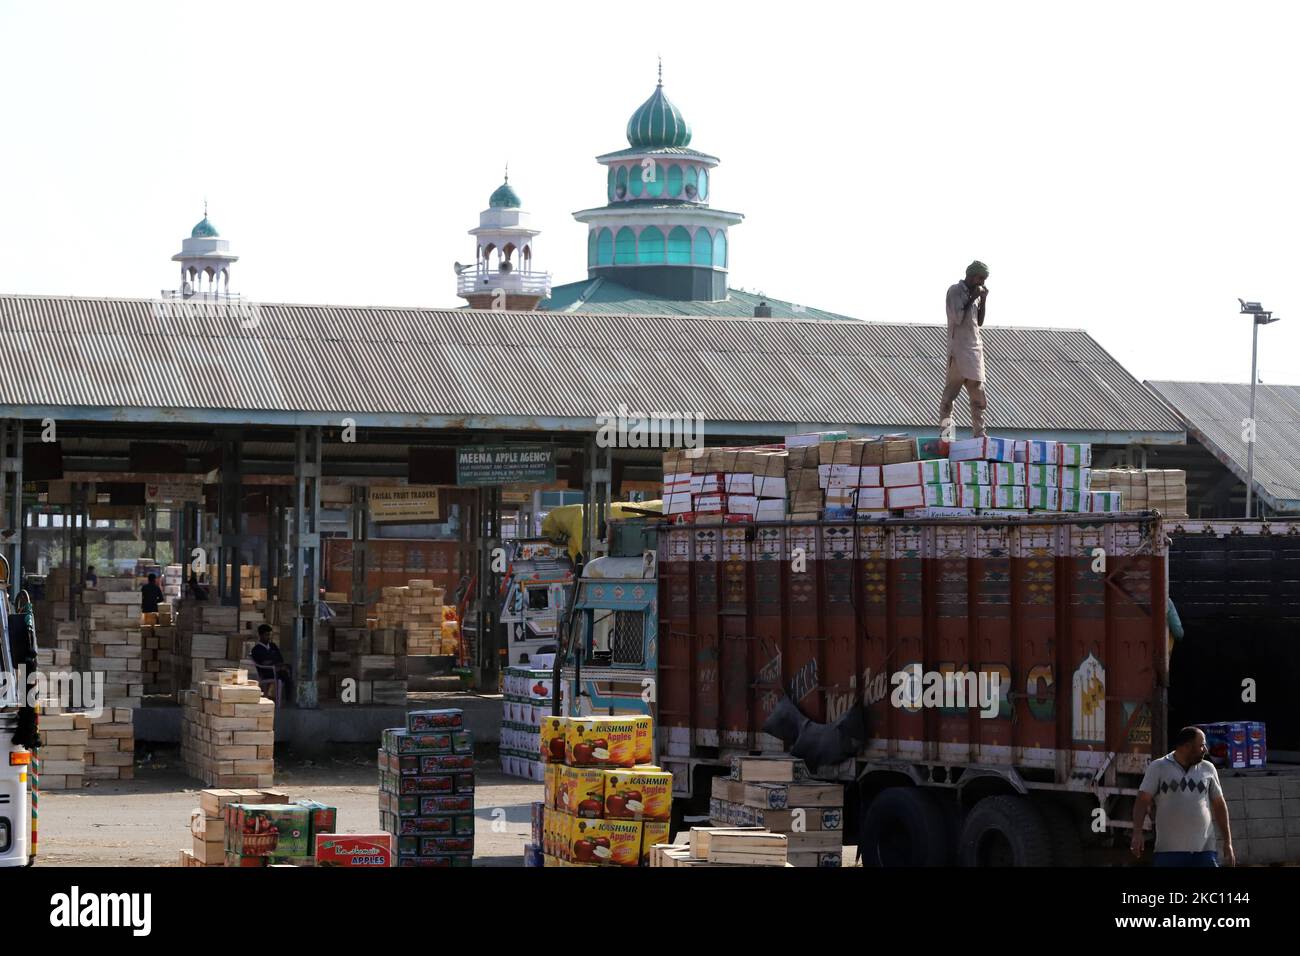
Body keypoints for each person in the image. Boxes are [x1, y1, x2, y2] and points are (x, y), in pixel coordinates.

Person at [1132, 726, 1235, 867]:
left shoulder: (1208, 768)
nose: (1205, 750)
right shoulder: (1158, 767)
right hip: (1168, 851)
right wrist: (1137, 833)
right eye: (1201, 745)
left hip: (1204, 851)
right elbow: (1142, 800)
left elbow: (1219, 805)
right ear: (1187, 746)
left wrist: (1228, 842)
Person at [940, 260, 990, 439]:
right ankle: (946, 437)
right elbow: (959, 317)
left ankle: (980, 435)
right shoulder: (955, 291)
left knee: (978, 399)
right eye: (980, 278)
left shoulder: (975, 295)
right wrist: (972, 298)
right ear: (971, 275)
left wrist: (982, 300)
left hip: (974, 351)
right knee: (948, 400)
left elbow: (980, 321)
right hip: (959, 352)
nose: (982, 283)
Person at [250, 623, 292, 704]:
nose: (269, 637)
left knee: (290, 669)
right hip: (266, 672)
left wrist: (274, 662)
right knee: (285, 674)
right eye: (266, 635)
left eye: (269, 635)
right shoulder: (256, 649)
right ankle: (287, 699)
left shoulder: (273, 646)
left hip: (277, 669)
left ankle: (288, 697)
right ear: (261, 635)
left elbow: (280, 658)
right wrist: (274, 662)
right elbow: (263, 663)